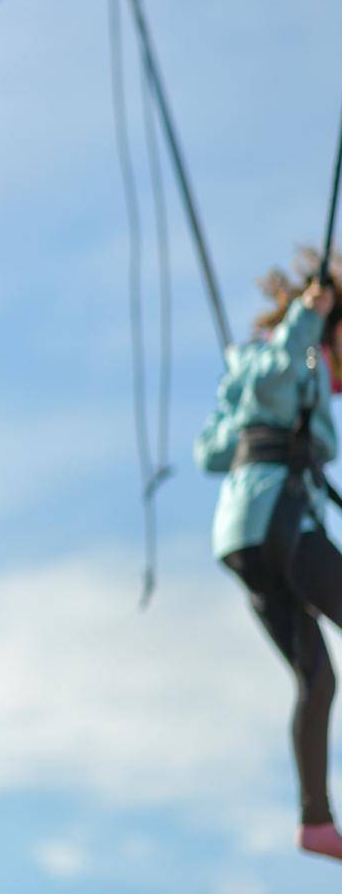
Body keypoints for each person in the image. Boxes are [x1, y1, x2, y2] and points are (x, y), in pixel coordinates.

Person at [196, 252, 342, 861]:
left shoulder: (267, 372)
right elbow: (276, 376)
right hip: (277, 520)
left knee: (318, 677)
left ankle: (316, 822)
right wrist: (308, 323)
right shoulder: (291, 354)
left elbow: (212, 450)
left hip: (247, 539)